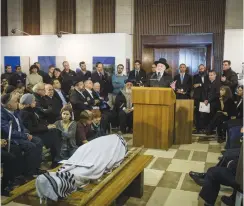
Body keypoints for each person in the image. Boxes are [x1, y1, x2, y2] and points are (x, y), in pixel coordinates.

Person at [1, 94, 44, 178]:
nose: (18, 103)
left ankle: (35, 168)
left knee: (38, 141)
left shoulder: (15, 111)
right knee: (30, 146)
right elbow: (9, 132)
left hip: (22, 135)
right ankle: (28, 172)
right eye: (16, 101)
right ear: (9, 105)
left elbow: (21, 125)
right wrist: (24, 135)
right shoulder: (2, 115)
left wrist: (26, 133)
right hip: (12, 139)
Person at [19, 93, 62, 167]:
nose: (35, 102)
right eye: (33, 101)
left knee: (56, 131)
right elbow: (30, 129)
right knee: (54, 134)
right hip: (34, 135)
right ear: (29, 103)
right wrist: (46, 128)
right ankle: (56, 159)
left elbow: (39, 121)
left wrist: (47, 125)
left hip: (39, 132)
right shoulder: (25, 113)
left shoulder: (32, 110)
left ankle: (56, 158)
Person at [193, 64, 210, 133]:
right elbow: (194, 85)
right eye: (200, 69)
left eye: (202, 69)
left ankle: (204, 128)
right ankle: (198, 128)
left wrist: (200, 84)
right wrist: (198, 85)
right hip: (197, 97)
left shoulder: (208, 76)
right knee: (197, 113)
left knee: (205, 113)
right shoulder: (195, 76)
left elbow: (208, 85)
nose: (201, 70)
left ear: (204, 69)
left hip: (205, 97)